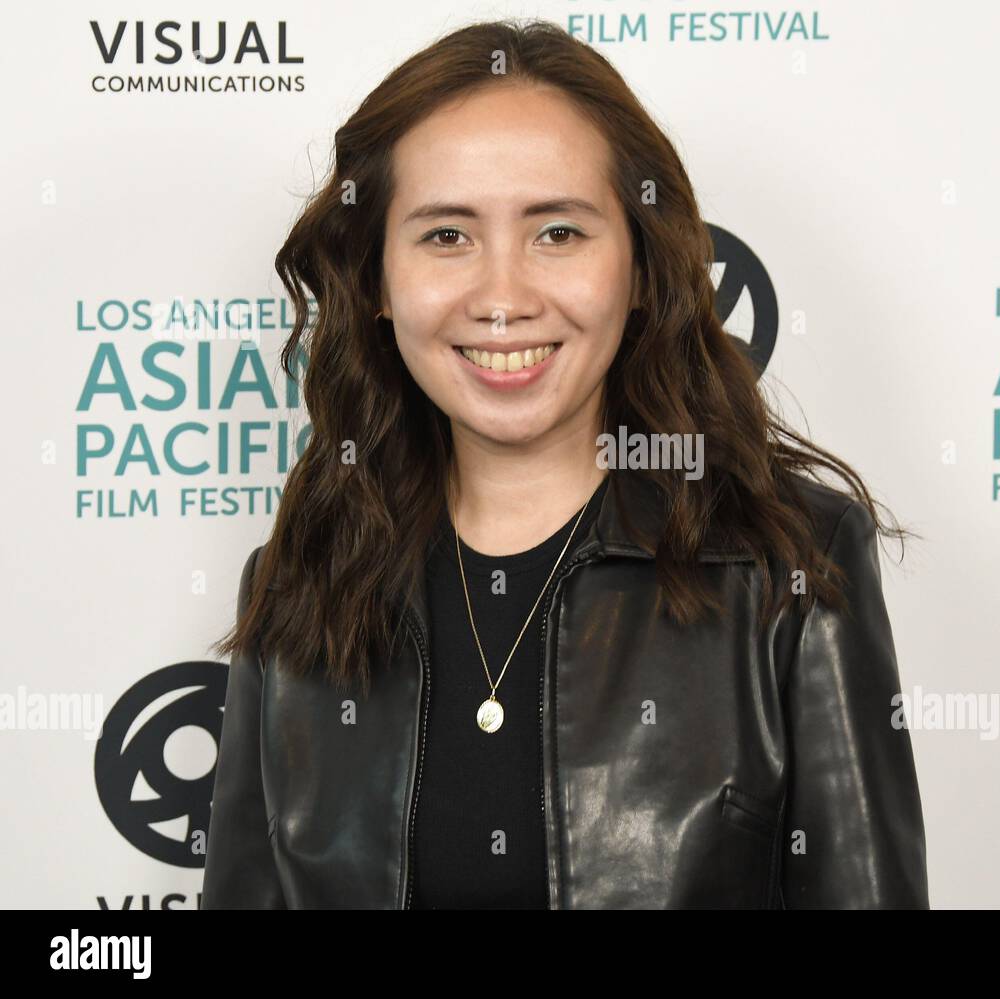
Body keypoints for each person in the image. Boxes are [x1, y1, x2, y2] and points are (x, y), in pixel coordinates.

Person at [201, 18, 928, 909]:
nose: (503, 298)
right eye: (445, 236)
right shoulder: (297, 582)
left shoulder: (787, 565)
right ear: (377, 283)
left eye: (558, 233)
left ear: (640, 263)